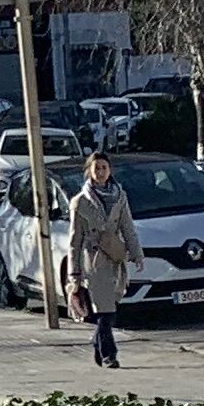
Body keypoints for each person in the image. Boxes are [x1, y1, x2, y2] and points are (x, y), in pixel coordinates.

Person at [65, 149, 138, 371]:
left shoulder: (120, 196)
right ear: (89, 171)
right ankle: (109, 355)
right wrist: (74, 273)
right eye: (96, 168)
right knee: (105, 311)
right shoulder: (80, 202)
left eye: (104, 167)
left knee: (110, 306)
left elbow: (127, 226)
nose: (100, 172)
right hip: (94, 261)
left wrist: (136, 253)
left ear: (110, 170)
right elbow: (74, 241)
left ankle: (98, 343)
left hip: (114, 256)